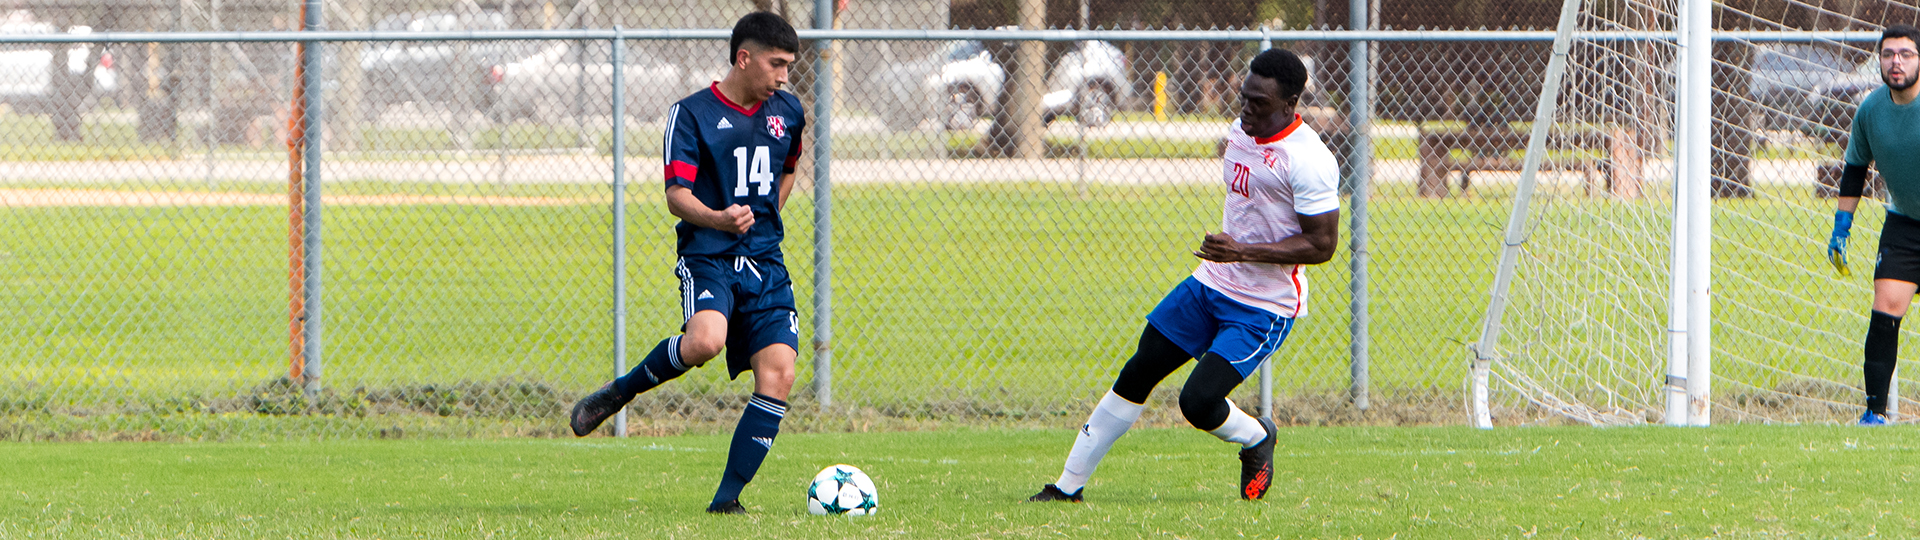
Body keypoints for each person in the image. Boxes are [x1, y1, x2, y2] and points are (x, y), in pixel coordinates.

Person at [1028, 48, 1339, 503]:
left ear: (1290, 105)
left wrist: (1242, 251)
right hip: (1210, 283)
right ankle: (1066, 488)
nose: (1246, 110)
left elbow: (1322, 245)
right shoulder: (1241, 131)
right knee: (1139, 370)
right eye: (1244, 98)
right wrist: (1229, 255)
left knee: (1196, 403)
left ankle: (1257, 437)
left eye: (1260, 104)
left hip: (1263, 307)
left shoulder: (1309, 160)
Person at [567, 11, 806, 513]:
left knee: (779, 374)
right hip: (709, 255)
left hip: (764, 259)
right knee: (705, 342)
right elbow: (676, 196)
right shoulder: (692, 114)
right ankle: (619, 392)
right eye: (776, 64)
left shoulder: (788, 111)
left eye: (789, 66)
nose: (784, 76)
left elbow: (789, 168)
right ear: (744, 58)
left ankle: (726, 503)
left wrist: (763, 216)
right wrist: (721, 219)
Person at [1829, 24, 1920, 426]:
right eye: (1888, 54)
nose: (1895, 62)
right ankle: (1874, 414)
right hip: (1903, 224)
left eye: (1906, 54)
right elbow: (1854, 170)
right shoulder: (1870, 110)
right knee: (1884, 309)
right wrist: (1841, 225)